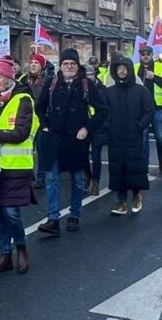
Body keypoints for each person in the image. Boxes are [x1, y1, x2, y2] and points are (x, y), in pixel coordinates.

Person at [36, 48, 108, 236]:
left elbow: (102, 110)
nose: (69, 67)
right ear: (61, 66)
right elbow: (40, 107)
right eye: (66, 64)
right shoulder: (52, 83)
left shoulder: (86, 84)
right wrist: (44, 125)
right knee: (52, 178)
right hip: (54, 138)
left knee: (77, 180)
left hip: (77, 140)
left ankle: (74, 215)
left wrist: (87, 129)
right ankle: (52, 219)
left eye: (72, 64)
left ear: (77, 66)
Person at [0, 57, 38, 274]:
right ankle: (5, 254)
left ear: (7, 79)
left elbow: (20, 133)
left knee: (11, 212)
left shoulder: (23, 100)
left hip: (16, 166)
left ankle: (21, 249)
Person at [107, 56, 154, 215]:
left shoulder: (141, 90)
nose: (121, 71)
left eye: (124, 68)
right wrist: (108, 127)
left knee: (134, 168)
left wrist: (140, 126)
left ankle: (136, 196)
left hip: (134, 137)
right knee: (117, 169)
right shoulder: (110, 91)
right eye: (118, 68)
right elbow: (104, 112)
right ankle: (121, 202)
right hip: (115, 137)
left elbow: (148, 110)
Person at [135, 47, 162, 172]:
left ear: (152, 54)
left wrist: (154, 77)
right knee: (143, 138)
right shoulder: (135, 68)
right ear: (139, 55)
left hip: (158, 108)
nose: (145, 56)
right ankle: (144, 165)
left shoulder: (161, 67)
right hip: (141, 109)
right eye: (143, 54)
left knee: (161, 138)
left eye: (148, 54)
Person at [84, 65, 109, 196]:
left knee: (96, 155)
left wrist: (105, 125)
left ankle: (96, 182)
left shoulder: (103, 90)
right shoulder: (81, 88)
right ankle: (87, 177)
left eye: (91, 75)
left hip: (98, 127)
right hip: (84, 127)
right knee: (83, 155)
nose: (89, 78)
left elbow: (106, 110)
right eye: (86, 75)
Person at [27, 53, 49, 189]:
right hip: (27, 120)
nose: (33, 65)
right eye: (31, 62)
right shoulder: (24, 80)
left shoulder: (47, 81)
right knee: (27, 150)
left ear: (42, 66)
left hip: (41, 121)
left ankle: (41, 177)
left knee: (41, 150)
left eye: (36, 63)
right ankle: (29, 175)